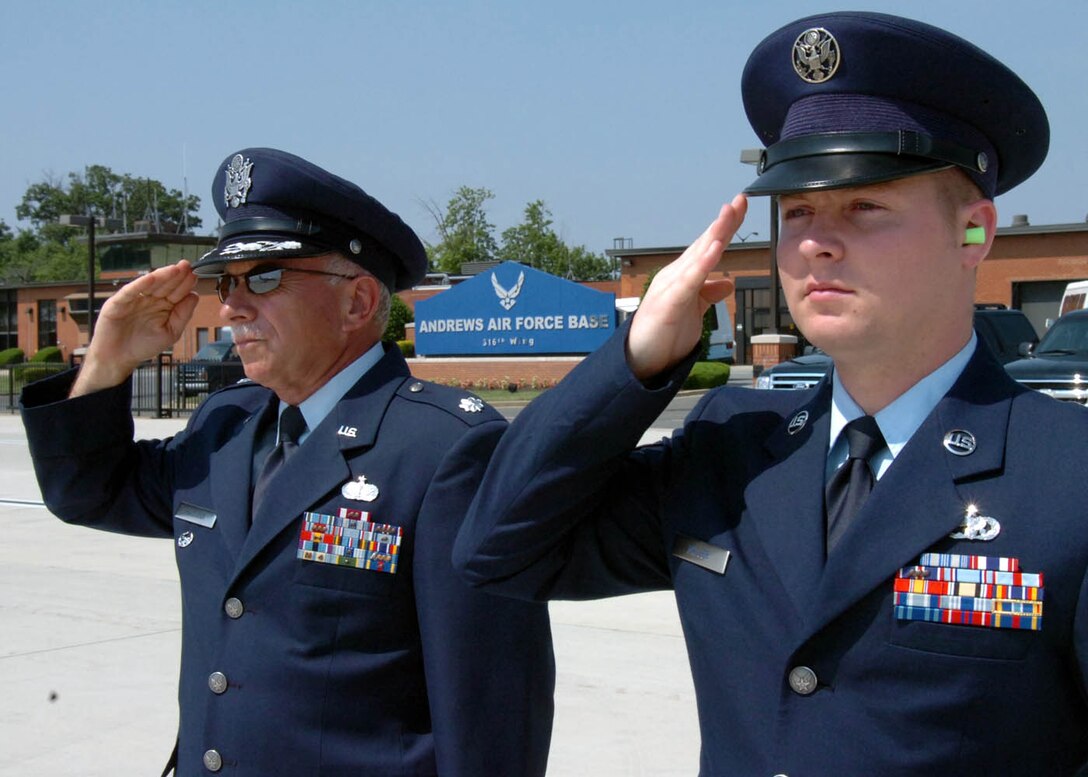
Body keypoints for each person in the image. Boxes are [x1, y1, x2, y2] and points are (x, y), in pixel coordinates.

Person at [454, 12, 1088, 775]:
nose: (817, 241)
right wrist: (637, 359)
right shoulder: (735, 449)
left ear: (975, 234)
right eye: (797, 212)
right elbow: (497, 550)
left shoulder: (1066, 476)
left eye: (865, 206)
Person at [21, 148, 554, 776]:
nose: (231, 307)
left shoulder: (444, 449)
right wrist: (105, 364)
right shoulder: (225, 427)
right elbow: (87, 492)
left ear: (356, 303)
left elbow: (487, 714)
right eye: (227, 283)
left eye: (264, 278)